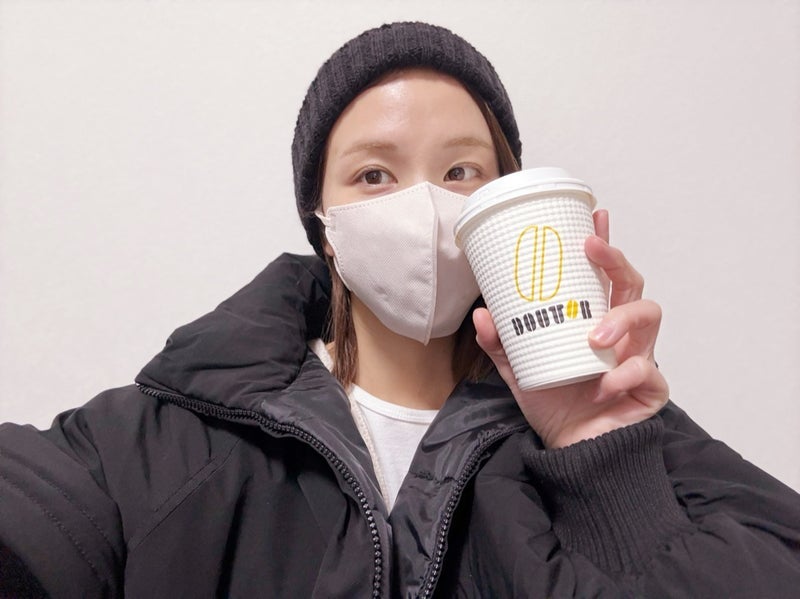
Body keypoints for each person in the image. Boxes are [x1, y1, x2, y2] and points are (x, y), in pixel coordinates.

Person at [1, 21, 798, 598]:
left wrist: (604, 458)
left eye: (461, 171)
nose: (424, 207)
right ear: (323, 222)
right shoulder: (172, 437)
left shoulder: (636, 433)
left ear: (506, 199)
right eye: (374, 175)